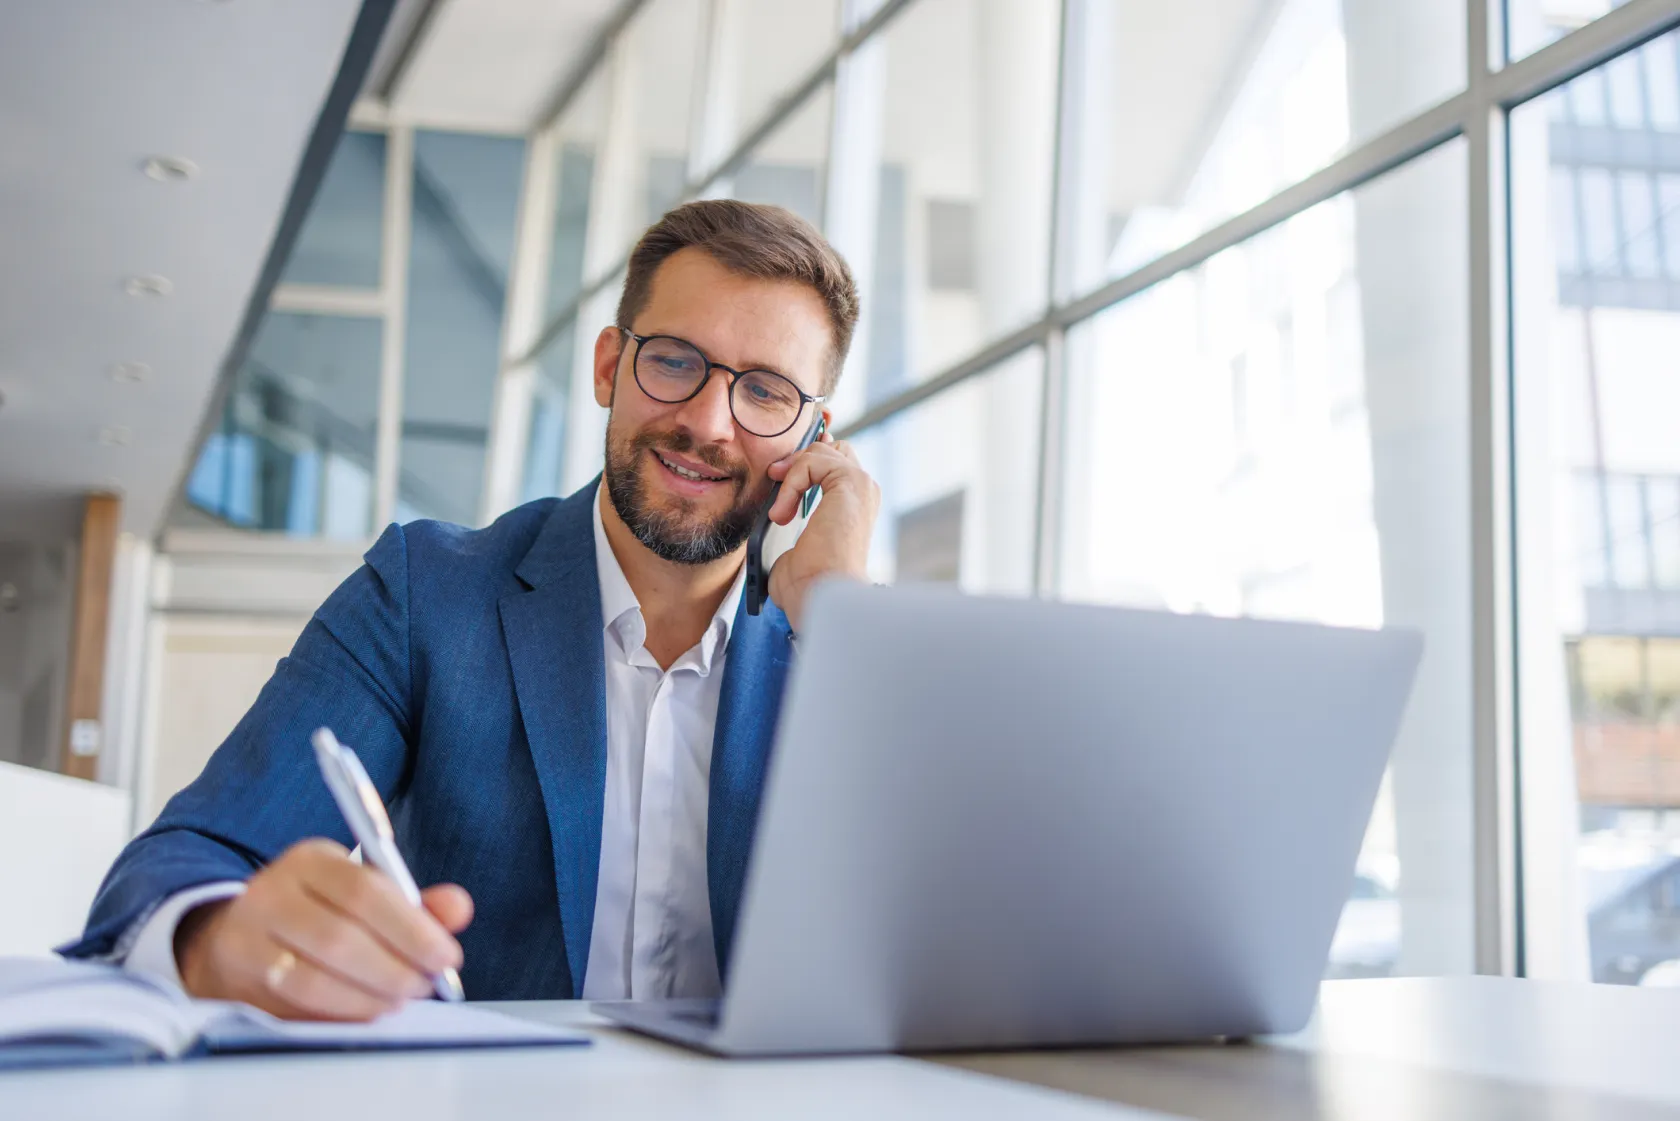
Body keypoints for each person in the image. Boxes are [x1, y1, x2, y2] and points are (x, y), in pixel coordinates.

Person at [61, 200, 880, 1021]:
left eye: (766, 393)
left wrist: (839, 620)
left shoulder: (835, 648)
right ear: (606, 368)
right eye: (673, 361)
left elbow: (944, 932)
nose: (706, 422)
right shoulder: (428, 594)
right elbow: (185, 860)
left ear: (813, 434)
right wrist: (219, 936)